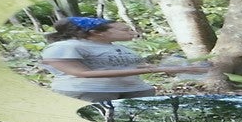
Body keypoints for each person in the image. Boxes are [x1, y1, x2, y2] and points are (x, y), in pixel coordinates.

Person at [37, 16, 184, 102]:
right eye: (125, 30)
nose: (132, 32)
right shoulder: (65, 46)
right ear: (97, 33)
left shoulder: (120, 47)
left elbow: (129, 67)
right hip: (90, 93)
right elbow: (82, 73)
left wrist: (177, 68)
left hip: (133, 91)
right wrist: (151, 70)